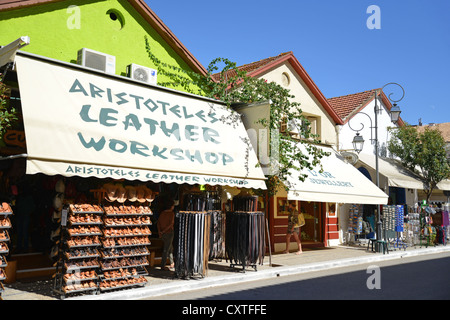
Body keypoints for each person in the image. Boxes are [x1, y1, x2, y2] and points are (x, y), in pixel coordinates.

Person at [157, 195, 175, 271]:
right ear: (171, 206)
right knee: (166, 249)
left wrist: (160, 232)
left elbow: (158, 223)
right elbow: (171, 224)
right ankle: (163, 265)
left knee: (170, 248)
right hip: (169, 233)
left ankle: (172, 263)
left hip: (163, 233)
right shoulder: (171, 214)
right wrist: (163, 231)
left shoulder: (162, 213)